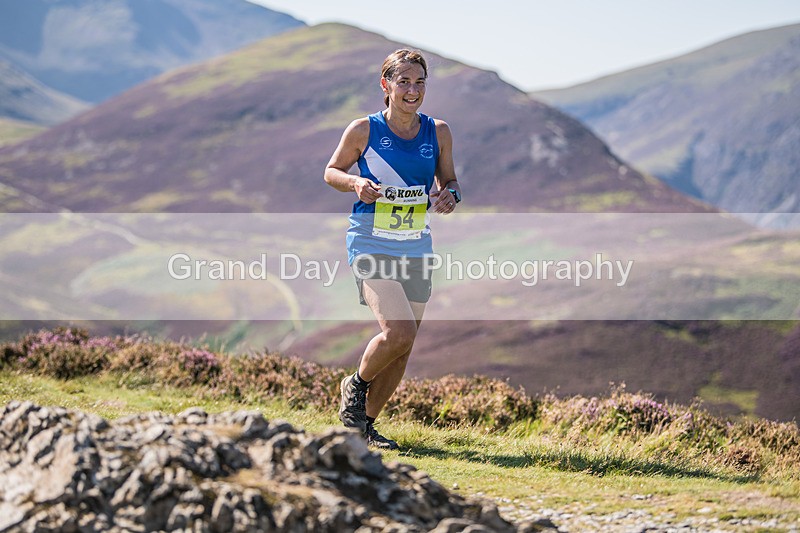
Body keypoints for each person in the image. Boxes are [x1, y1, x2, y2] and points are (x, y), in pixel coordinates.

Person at [323, 48, 461, 449]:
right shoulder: (363, 130)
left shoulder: (438, 131)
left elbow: (450, 180)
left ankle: (362, 426)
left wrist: (450, 195)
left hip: (415, 245)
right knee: (397, 331)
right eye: (404, 82)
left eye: (419, 83)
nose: (412, 90)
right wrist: (355, 184)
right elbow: (331, 171)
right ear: (386, 85)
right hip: (369, 241)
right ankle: (355, 387)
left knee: (404, 346)